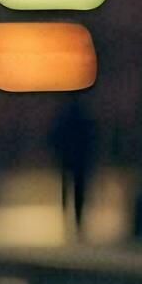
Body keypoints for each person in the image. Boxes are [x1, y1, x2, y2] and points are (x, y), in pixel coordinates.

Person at [48, 94, 97, 234]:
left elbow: (55, 137)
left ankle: (68, 217)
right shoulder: (85, 117)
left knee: (67, 189)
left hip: (68, 159)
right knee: (78, 191)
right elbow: (92, 138)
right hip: (80, 160)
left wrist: (58, 154)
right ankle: (77, 220)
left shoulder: (63, 117)